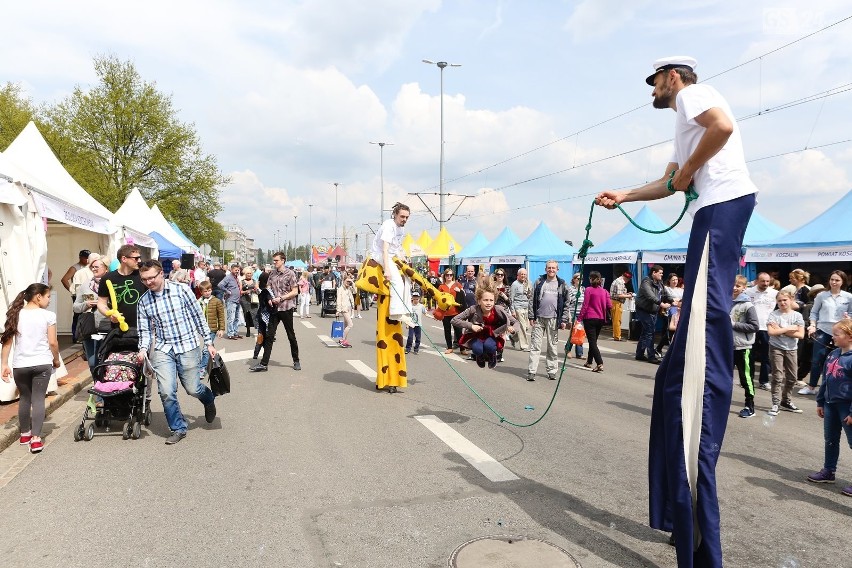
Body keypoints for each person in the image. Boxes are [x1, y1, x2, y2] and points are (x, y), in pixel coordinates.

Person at [594, 56, 759, 564]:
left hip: (723, 206)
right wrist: (624, 194)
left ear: (673, 77)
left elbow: (723, 128)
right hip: (710, 209)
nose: (652, 91)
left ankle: (699, 543)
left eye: (655, 82)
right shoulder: (679, 128)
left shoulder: (693, 95)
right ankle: (674, 519)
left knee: (701, 334)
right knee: (671, 379)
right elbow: (670, 185)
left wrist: (689, 170)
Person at [136, 260, 217, 444]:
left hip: (188, 345)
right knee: (166, 391)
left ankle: (208, 398)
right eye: (144, 279)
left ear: (161, 274)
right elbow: (145, 330)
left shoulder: (182, 290)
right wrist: (142, 349)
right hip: (163, 349)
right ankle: (178, 427)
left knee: (192, 388)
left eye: (151, 278)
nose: (148, 282)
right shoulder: (144, 301)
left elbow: (198, 317)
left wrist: (208, 343)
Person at [1, 284, 60, 454]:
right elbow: (53, 342)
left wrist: (4, 364)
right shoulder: (48, 315)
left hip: (20, 365)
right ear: (38, 297)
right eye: (48, 296)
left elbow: (7, 342)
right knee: (39, 399)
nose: (49, 300)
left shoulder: (15, 314)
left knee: (25, 398)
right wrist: (56, 359)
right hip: (42, 362)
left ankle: (25, 434)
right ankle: (36, 438)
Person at [806, 319, 852, 497]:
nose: (833, 337)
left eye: (836, 334)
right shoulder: (832, 354)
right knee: (830, 439)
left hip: (846, 407)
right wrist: (820, 401)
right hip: (830, 404)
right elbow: (825, 379)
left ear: (849, 337)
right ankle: (828, 471)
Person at [800, 270, 852, 395]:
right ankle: (811, 386)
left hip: (841, 332)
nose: (834, 282)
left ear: (842, 282)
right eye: (832, 279)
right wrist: (812, 325)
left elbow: (851, 313)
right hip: (823, 330)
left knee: (837, 361)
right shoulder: (822, 295)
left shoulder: (849, 297)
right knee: (817, 360)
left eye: (837, 280)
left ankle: (828, 388)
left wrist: (848, 317)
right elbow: (814, 312)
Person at [251, 252, 300, 372]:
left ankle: (296, 360)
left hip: (286, 308)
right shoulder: (272, 273)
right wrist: (268, 299)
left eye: (276, 260)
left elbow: (295, 291)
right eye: (274, 260)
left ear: (283, 260)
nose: (274, 262)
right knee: (269, 335)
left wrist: (282, 298)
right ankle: (264, 363)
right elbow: (268, 289)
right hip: (274, 309)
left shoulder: (290, 274)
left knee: (291, 335)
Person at [452, 281, 517, 369]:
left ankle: (492, 356)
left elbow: (516, 323)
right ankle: (480, 357)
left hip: (493, 335)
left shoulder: (499, 310)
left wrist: (512, 329)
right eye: (485, 300)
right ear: (479, 301)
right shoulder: (473, 309)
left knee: (489, 346)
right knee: (477, 349)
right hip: (477, 335)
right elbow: (454, 320)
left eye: (491, 300)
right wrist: (471, 326)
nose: (488, 303)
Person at [370, 203, 414, 326]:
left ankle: (406, 311)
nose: (404, 219)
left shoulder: (401, 228)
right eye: (402, 216)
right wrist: (387, 270)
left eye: (407, 217)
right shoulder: (389, 226)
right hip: (379, 254)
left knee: (406, 280)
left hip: (391, 255)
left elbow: (397, 246)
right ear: (395, 214)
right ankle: (395, 313)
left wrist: (402, 258)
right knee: (397, 281)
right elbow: (385, 249)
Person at [526, 260, 570, 381]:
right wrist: (531, 316)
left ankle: (552, 370)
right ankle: (532, 371)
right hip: (539, 318)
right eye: (549, 268)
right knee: (535, 346)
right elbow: (532, 300)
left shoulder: (562, 284)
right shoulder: (539, 282)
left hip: (554, 319)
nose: (551, 270)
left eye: (553, 268)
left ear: (557, 269)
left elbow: (567, 303)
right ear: (545, 269)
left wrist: (564, 319)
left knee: (552, 346)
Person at [766, 290, 805, 417]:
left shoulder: (797, 316)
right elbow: (771, 333)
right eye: (779, 301)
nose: (782, 303)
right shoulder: (773, 315)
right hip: (776, 348)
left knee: (793, 377)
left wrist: (780, 330)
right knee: (777, 376)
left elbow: (800, 334)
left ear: (791, 300)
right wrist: (789, 328)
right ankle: (775, 403)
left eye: (785, 300)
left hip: (792, 349)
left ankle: (785, 401)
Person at [97, 244, 146, 331]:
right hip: (119, 329)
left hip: (143, 327)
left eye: (139, 257)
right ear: (124, 259)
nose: (139, 261)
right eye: (136, 258)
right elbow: (101, 303)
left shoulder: (143, 275)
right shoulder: (108, 278)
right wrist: (110, 314)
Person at [731, 275, 760, 418]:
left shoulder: (747, 305)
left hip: (743, 347)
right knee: (722, 376)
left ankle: (750, 406)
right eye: (733, 284)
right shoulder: (724, 302)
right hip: (726, 347)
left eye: (738, 285)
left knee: (746, 378)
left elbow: (754, 326)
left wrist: (734, 325)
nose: (735, 287)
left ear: (744, 288)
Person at [73, 258, 108, 374]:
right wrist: (85, 304)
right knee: (93, 361)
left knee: (106, 359)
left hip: (108, 326)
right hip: (90, 327)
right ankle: (97, 384)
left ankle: (106, 385)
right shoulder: (86, 285)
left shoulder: (112, 283)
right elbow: (75, 307)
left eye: (97, 266)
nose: (94, 269)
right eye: (92, 267)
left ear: (106, 268)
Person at [746, 272, 778, 390]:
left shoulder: (774, 293)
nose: (765, 284)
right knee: (750, 355)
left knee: (766, 356)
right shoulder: (748, 292)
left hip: (767, 328)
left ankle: (764, 381)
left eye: (767, 281)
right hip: (751, 327)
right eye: (763, 281)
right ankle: (748, 379)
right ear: (756, 281)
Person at [635, 265, 670, 364]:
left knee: (645, 332)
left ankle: (639, 354)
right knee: (650, 331)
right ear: (654, 273)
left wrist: (673, 301)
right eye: (660, 273)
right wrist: (661, 303)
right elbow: (650, 295)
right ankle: (651, 356)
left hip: (653, 311)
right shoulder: (646, 281)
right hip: (643, 310)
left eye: (662, 273)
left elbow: (665, 294)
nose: (662, 275)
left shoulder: (660, 283)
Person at [577, 271, 611, 373]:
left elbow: (585, 305)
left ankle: (599, 363)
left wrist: (579, 319)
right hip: (600, 318)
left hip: (590, 318)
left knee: (592, 342)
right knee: (594, 341)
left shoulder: (588, 290)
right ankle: (589, 361)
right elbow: (610, 305)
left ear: (591, 279)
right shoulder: (605, 291)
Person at [197, 281, 225, 376]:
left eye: (209, 290)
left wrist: (221, 329)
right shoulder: (199, 302)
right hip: (201, 329)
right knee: (208, 347)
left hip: (212, 329)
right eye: (205, 291)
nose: (208, 292)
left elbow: (221, 316)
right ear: (201, 292)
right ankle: (210, 360)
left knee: (205, 349)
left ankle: (202, 368)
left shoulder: (216, 301)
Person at [61, 249, 91, 342]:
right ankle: (76, 336)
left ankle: (85, 335)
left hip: (88, 294)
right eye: (85, 258)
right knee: (77, 315)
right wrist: (72, 291)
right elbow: (64, 279)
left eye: (88, 258)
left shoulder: (91, 267)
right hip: (78, 295)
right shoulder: (75, 267)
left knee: (88, 314)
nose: (87, 260)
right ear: (80, 257)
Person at [655, 273, 683, 357]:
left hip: (680, 310)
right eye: (673, 280)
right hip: (671, 310)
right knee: (671, 329)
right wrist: (675, 302)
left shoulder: (681, 289)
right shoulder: (666, 288)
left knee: (676, 330)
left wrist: (678, 302)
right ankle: (661, 349)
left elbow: (682, 300)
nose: (675, 281)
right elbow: (666, 298)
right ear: (669, 281)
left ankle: (660, 348)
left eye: (676, 280)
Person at [439, 268, 464, 354]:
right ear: (444, 276)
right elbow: (438, 299)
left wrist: (459, 291)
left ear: (453, 276)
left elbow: (463, 296)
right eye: (447, 275)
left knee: (459, 331)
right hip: (445, 313)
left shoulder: (457, 285)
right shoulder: (441, 286)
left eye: (451, 275)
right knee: (447, 331)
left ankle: (462, 348)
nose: (449, 276)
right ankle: (449, 347)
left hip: (456, 312)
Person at [509, 268, 532, 351]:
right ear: (518, 275)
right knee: (522, 327)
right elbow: (511, 298)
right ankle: (524, 346)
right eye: (521, 274)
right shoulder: (514, 284)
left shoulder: (529, 283)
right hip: (518, 307)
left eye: (524, 274)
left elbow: (530, 296)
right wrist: (512, 311)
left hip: (526, 307)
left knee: (526, 327)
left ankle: (513, 337)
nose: (523, 276)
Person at [218, 264, 241, 340]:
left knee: (237, 318)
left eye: (238, 270)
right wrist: (227, 291)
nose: (237, 271)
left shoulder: (236, 277)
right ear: (231, 270)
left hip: (237, 300)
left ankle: (235, 332)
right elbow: (220, 285)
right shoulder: (228, 277)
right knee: (231, 318)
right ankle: (230, 334)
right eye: (235, 270)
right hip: (231, 300)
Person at [609, 271, 633, 341]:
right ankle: (617, 336)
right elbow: (619, 295)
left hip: (615, 302)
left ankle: (616, 335)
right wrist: (628, 296)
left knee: (616, 320)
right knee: (617, 320)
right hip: (616, 302)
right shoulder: (620, 282)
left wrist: (627, 293)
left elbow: (619, 293)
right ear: (627, 278)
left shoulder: (618, 281)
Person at [566, 272, 585, 359]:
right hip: (573, 313)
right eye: (578, 279)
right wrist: (569, 316)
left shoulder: (583, 289)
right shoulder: (570, 289)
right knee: (574, 332)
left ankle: (579, 353)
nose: (580, 280)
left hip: (581, 313)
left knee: (580, 332)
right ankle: (568, 349)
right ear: (574, 280)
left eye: (581, 279)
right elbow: (568, 302)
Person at [253, 272, 272, 361]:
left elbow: (256, 286)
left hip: (260, 314)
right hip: (266, 315)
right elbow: (269, 302)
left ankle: (256, 353)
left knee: (261, 334)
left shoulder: (259, 290)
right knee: (267, 336)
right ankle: (265, 355)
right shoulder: (267, 291)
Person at [336, 277, 356, 348]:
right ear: (343, 281)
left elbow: (355, 292)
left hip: (349, 308)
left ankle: (344, 340)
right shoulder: (340, 289)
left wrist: (352, 283)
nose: (348, 283)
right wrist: (338, 310)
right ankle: (342, 340)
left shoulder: (349, 288)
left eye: (349, 282)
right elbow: (338, 299)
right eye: (347, 281)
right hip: (344, 308)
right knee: (350, 324)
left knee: (346, 325)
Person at [240, 267, 258, 338]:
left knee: (255, 314)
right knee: (247, 315)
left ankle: (258, 329)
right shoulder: (242, 281)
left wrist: (255, 290)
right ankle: (248, 330)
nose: (249, 275)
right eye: (247, 273)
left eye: (250, 273)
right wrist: (245, 292)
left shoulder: (254, 281)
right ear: (245, 274)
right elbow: (240, 291)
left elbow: (257, 289)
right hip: (245, 300)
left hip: (254, 300)